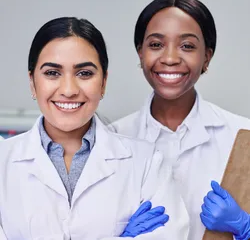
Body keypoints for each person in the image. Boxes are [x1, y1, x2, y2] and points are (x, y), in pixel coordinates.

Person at [0, 17, 189, 240]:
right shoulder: (4, 161)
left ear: (103, 82)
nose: (69, 90)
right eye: (52, 73)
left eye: (84, 73)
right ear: (32, 82)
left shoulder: (147, 163)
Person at [112, 0, 250, 240]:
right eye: (156, 45)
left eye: (187, 46)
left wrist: (245, 227)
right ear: (140, 53)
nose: (170, 58)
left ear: (206, 57)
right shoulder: (111, 139)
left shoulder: (243, 138)